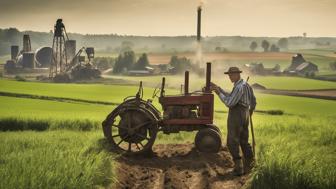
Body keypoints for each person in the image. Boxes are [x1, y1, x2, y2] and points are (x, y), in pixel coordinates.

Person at [210, 66, 256, 176]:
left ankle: (239, 168)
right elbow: (253, 101)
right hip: (244, 114)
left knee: (232, 141)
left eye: (231, 75)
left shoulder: (239, 87)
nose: (229, 77)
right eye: (229, 75)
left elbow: (230, 103)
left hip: (237, 114)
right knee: (244, 141)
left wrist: (218, 93)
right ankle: (250, 166)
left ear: (237, 74)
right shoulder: (245, 84)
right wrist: (219, 89)